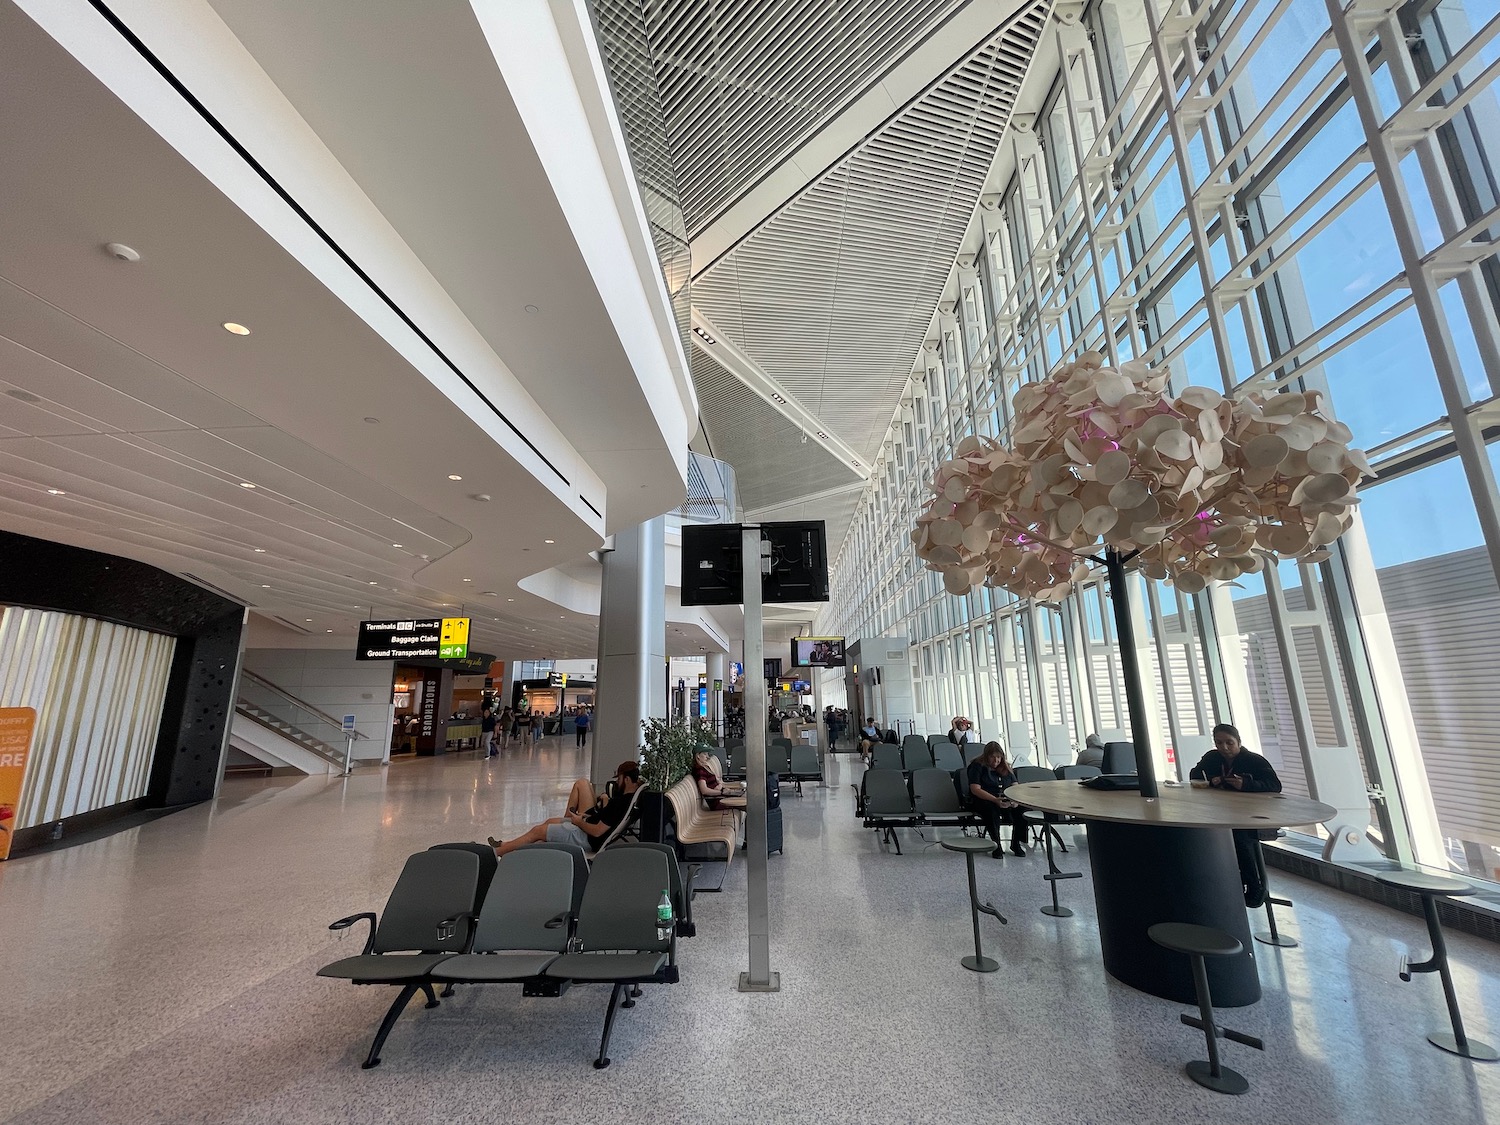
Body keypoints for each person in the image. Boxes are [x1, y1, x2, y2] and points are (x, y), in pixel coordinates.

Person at [1188, 723, 1282, 907]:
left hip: (1254, 814)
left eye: (1229, 743)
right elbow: (1195, 774)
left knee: (1240, 837)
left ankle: (1254, 885)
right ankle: (1229, 881)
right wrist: (1211, 780)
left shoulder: (1255, 761)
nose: (1224, 748)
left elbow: (1274, 785)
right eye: (1219, 743)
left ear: (1238, 742)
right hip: (1221, 812)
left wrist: (1246, 784)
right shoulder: (1212, 758)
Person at [489, 761, 642, 856]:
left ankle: (496, 853)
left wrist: (578, 822)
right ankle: (507, 846)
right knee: (547, 826)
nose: (617, 783)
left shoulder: (619, 803)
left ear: (627, 779)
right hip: (585, 829)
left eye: (620, 779)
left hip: (585, 836)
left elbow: (597, 831)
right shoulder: (628, 799)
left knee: (538, 831)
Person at [966, 741, 1027, 858]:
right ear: (986, 756)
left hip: (1003, 799)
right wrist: (995, 800)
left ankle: (1016, 843)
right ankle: (996, 844)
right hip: (983, 799)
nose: (996, 761)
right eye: (992, 757)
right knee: (991, 810)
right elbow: (975, 789)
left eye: (999, 757)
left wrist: (1015, 800)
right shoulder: (977, 766)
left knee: (1022, 810)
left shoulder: (1006, 768)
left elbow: (1015, 785)